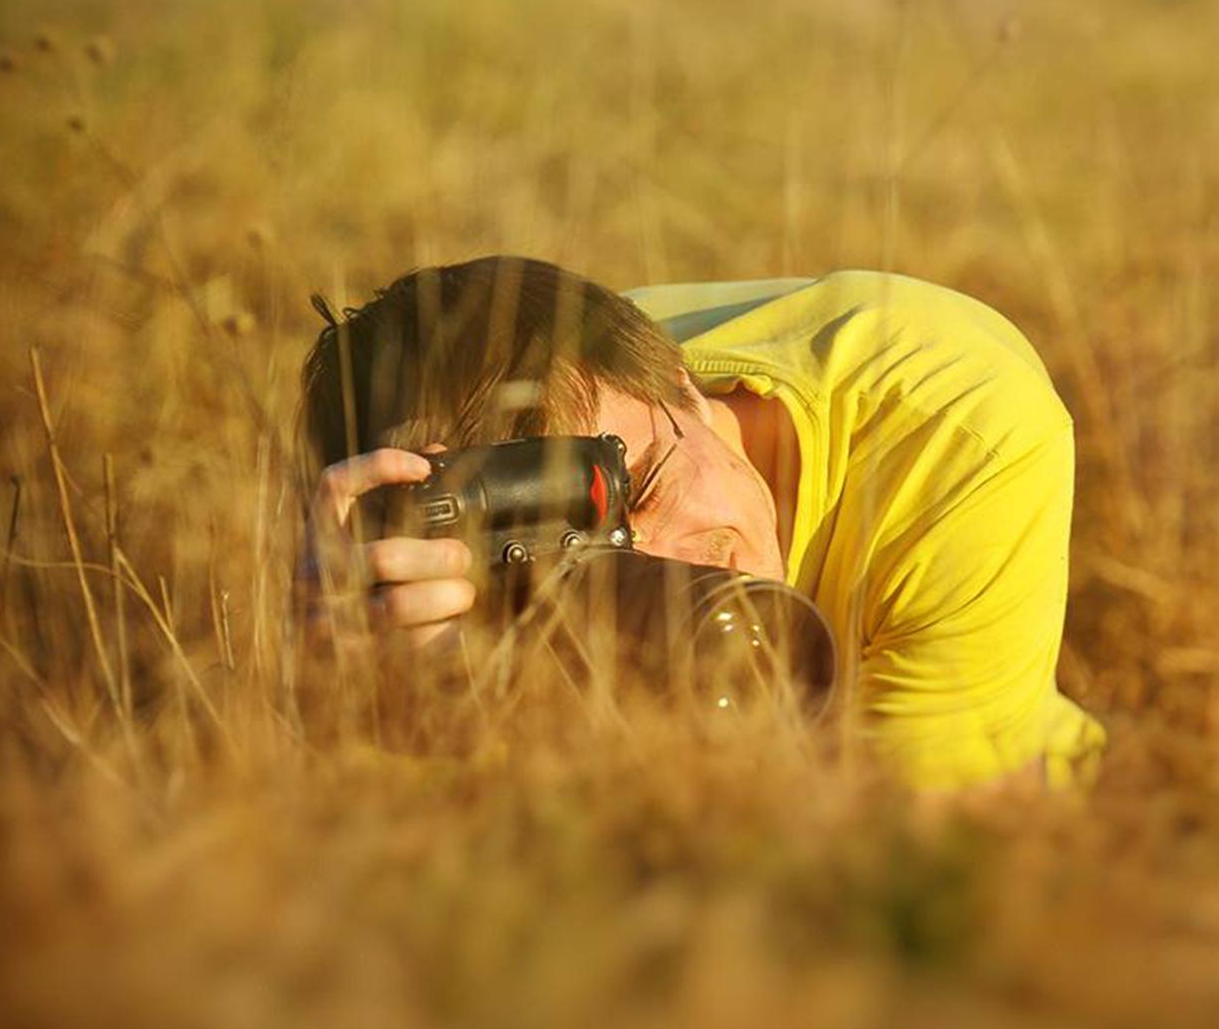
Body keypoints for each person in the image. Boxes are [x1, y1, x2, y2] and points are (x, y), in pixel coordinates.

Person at [298, 256, 1104, 792]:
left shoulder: (951, 433)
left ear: (689, 389)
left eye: (644, 482)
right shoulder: (437, 538)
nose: (668, 565)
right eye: (576, 552)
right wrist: (382, 702)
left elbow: (908, 872)